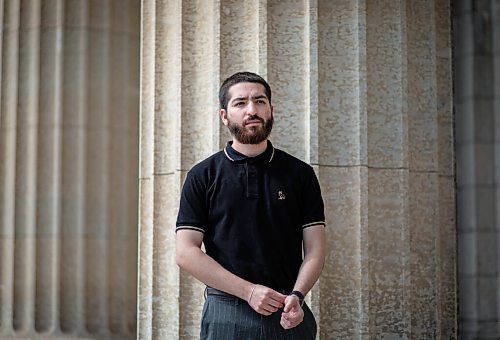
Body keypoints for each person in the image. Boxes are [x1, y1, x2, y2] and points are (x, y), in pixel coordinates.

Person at [175, 71, 326, 339]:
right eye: (240, 103)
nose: (252, 110)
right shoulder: (202, 175)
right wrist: (249, 291)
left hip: (287, 308)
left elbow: (315, 248)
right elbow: (185, 252)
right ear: (224, 116)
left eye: (259, 101)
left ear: (271, 109)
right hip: (226, 309)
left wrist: (297, 295)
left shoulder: (299, 173)